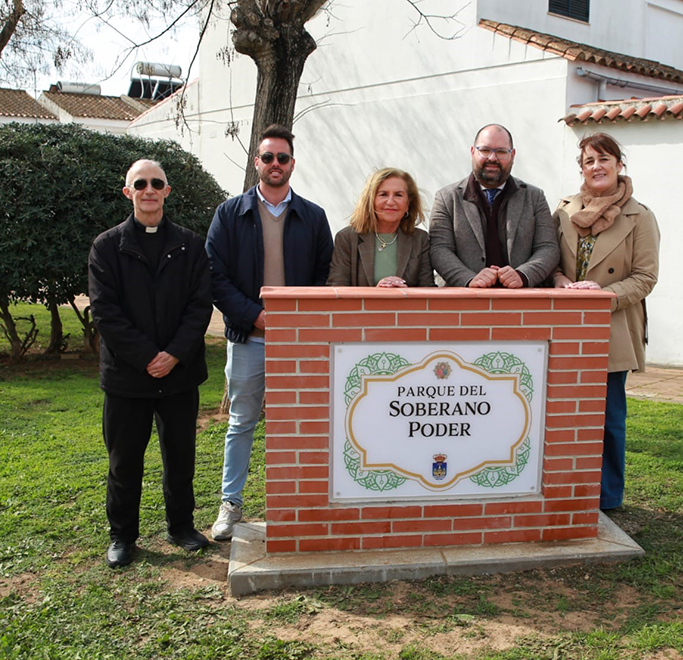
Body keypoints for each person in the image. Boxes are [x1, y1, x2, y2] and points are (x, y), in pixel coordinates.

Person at [205, 124, 333, 541]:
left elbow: (323, 278)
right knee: (241, 421)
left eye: (282, 158)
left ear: (292, 164)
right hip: (248, 339)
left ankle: (294, 506)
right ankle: (231, 505)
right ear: (256, 162)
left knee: (297, 423)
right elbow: (215, 276)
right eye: (267, 157)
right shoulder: (230, 213)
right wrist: (255, 317)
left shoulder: (313, 216)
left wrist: (296, 320)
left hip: (297, 343)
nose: (274, 164)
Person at [88, 159, 214, 568]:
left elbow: (199, 307)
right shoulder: (106, 247)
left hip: (179, 375)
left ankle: (181, 527)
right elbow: (106, 313)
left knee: (180, 457)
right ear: (128, 192)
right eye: (140, 184)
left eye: (156, 183)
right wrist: (147, 357)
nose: (148, 190)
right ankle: (122, 536)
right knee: (124, 461)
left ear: (167, 191)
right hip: (128, 376)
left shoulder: (191, 245)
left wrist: (173, 354)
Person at [549, 133, 660, 512]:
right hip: (565, 326)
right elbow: (549, 260)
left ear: (619, 165)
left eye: (604, 159)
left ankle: (608, 498)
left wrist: (601, 293)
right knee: (562, 415)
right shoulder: (563, 210)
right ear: (581, 167)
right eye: (589, 160)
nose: (597, 166)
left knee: (609, 417)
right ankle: (564, 490)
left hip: (611, 325)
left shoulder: (640, 216)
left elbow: (646, 277)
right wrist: (561, 282)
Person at [429, 124, 559, 289]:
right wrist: (469, 279)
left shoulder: (534, 197)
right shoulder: (446, 197)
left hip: (522, 301)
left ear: (512, 155)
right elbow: (439, 249)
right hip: (464, 301)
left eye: (501, 151)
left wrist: (523, 275)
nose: (492, 158)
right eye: (485, 150)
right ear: (472, 152)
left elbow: (548, 247)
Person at [328, 168, 434, 287]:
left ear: (408, 204)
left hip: (407, 306)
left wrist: (405, 294)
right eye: (383, 194)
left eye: (398, 195)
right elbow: (337, 289)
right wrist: (377, 295)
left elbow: (428, 290)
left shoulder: (420, 239)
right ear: (371, 201)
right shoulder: (347, 238)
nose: (390, 201)